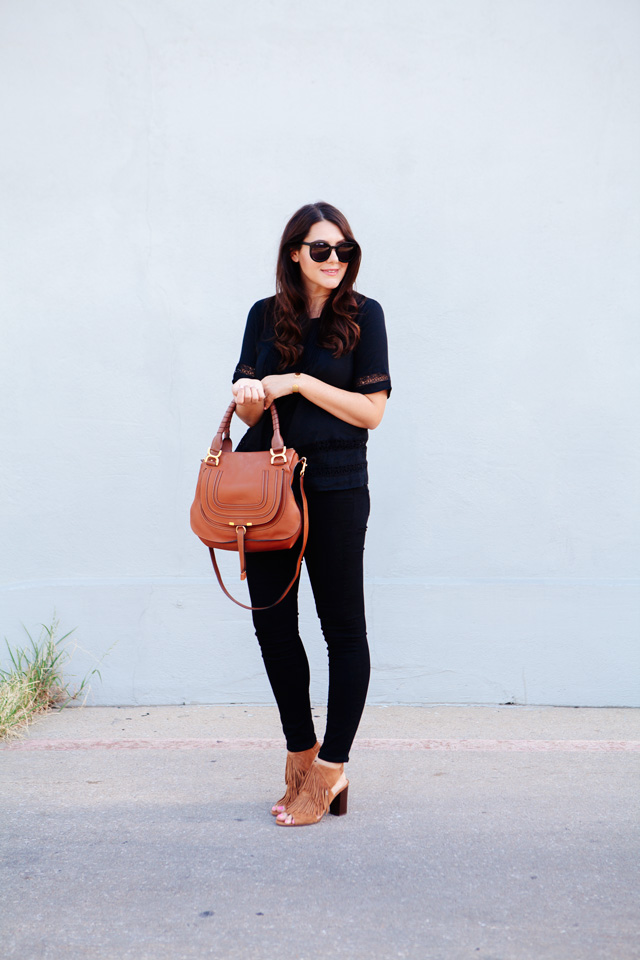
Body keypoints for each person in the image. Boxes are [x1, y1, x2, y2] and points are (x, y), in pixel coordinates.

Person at [231, 201, 391, 826]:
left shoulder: (365, 316)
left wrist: (295, 380)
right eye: (321, 250)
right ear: (295, 252)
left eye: (343, 250)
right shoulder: (263, 317)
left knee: (342, 628)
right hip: (269, 489)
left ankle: (332, 769)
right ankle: (301, 754)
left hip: (338, 483)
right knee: (273, 625)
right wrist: (250, 395)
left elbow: (371, 411)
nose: (334, 261)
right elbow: (250, 412)